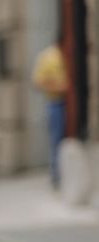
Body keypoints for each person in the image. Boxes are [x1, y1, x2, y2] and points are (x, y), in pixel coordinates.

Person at [32, 34, 69, 189]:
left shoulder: (68, 54)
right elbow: (37, 82)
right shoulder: (48, 57)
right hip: (56, 102)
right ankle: (56, 176)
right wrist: (58, 87)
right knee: (56, 139)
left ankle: (65, 174)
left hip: (69, 103)